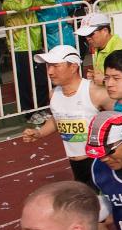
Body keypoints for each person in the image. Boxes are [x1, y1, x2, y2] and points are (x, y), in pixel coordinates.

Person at [24, 45, 113, 190]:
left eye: (55, 66)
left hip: (101, 162)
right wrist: (39, 133)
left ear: (73, 67)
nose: (50, 71)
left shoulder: (95, 93)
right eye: (48, 66)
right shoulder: (54, 94)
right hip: (76, 164)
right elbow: (57, 118)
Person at [76, 14, 122, 84]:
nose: (87, 38)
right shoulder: (100, 46)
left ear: (105, 31)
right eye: (85, 35)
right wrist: (95, 77)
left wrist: (104, 80)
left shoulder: (120, 51)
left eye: (90, 34)